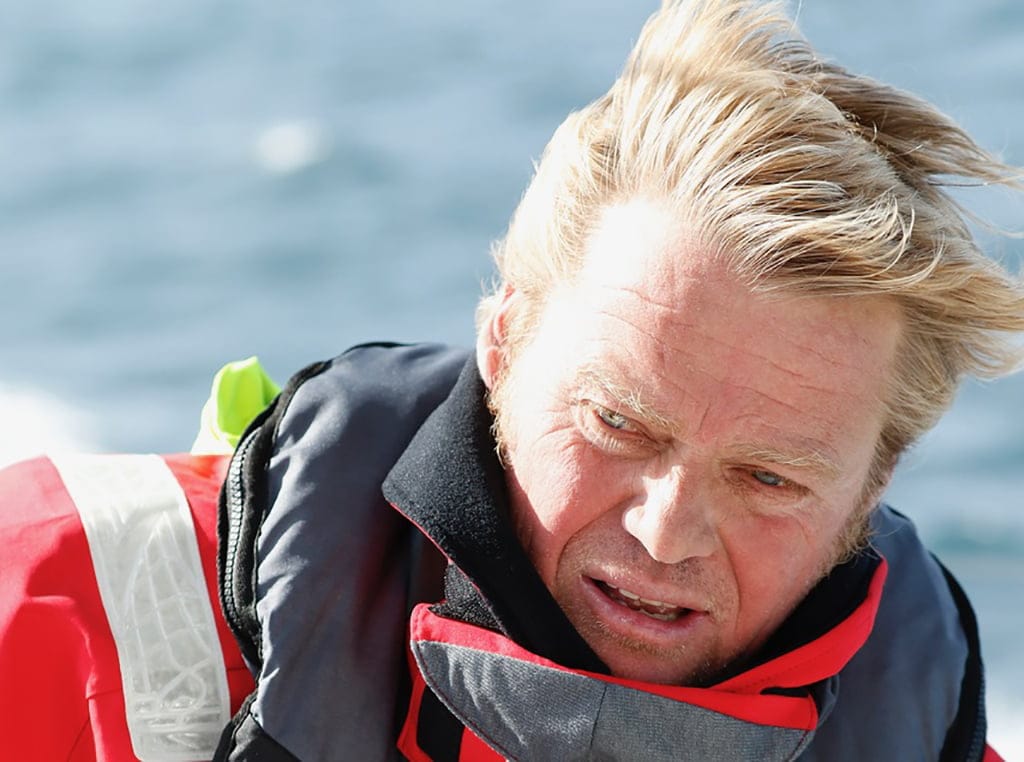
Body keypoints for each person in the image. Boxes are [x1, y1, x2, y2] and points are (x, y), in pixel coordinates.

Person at [1, 0, 1021, 759]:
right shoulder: (53, 597)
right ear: (503, 342)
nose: (668, 533)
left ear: (872, 486)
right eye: (619, 422)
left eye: (768, 478)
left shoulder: (924, 730)